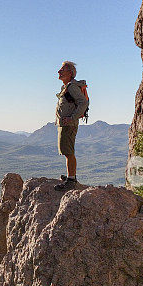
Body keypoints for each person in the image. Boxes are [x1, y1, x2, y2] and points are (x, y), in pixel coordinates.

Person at [53, 61, 89, 191]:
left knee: (68, 151)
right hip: (65, 124)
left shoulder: (72, 87)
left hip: (69, 124)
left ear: (71, 73)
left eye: (62, 70)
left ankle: (71, 180)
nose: (59, 72)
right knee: (66, 150)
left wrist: (72, 118)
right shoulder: (67, 87)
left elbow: (83, 103)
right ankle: (70, 176)